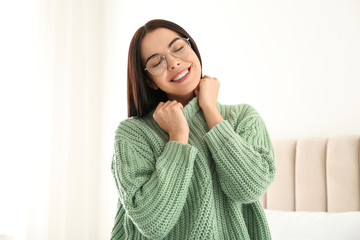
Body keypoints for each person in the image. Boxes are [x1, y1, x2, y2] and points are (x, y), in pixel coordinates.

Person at [110, 19, 276, 240]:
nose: (173, 62)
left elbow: (250, 188)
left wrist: (210, 110)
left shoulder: (243, 118)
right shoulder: (134, 133)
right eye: (155, 62)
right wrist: (178, 137)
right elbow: (152, 223)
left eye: (178, 48)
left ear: (193, 48)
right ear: (149, 81)